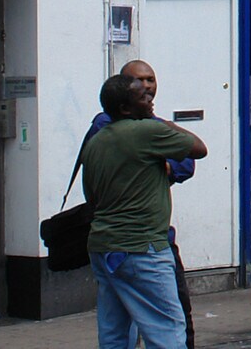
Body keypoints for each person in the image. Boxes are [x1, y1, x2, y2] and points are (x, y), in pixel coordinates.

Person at [81, 72, 207, 349]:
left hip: (104, 247)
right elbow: (198, 149)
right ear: (126, 108)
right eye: (143, 97)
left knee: (114, 332)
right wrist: (162, 122)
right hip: (143, 247)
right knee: (167, 329)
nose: (150, 100)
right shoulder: (148, 131)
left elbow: (91, 197)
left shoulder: (96, 142)